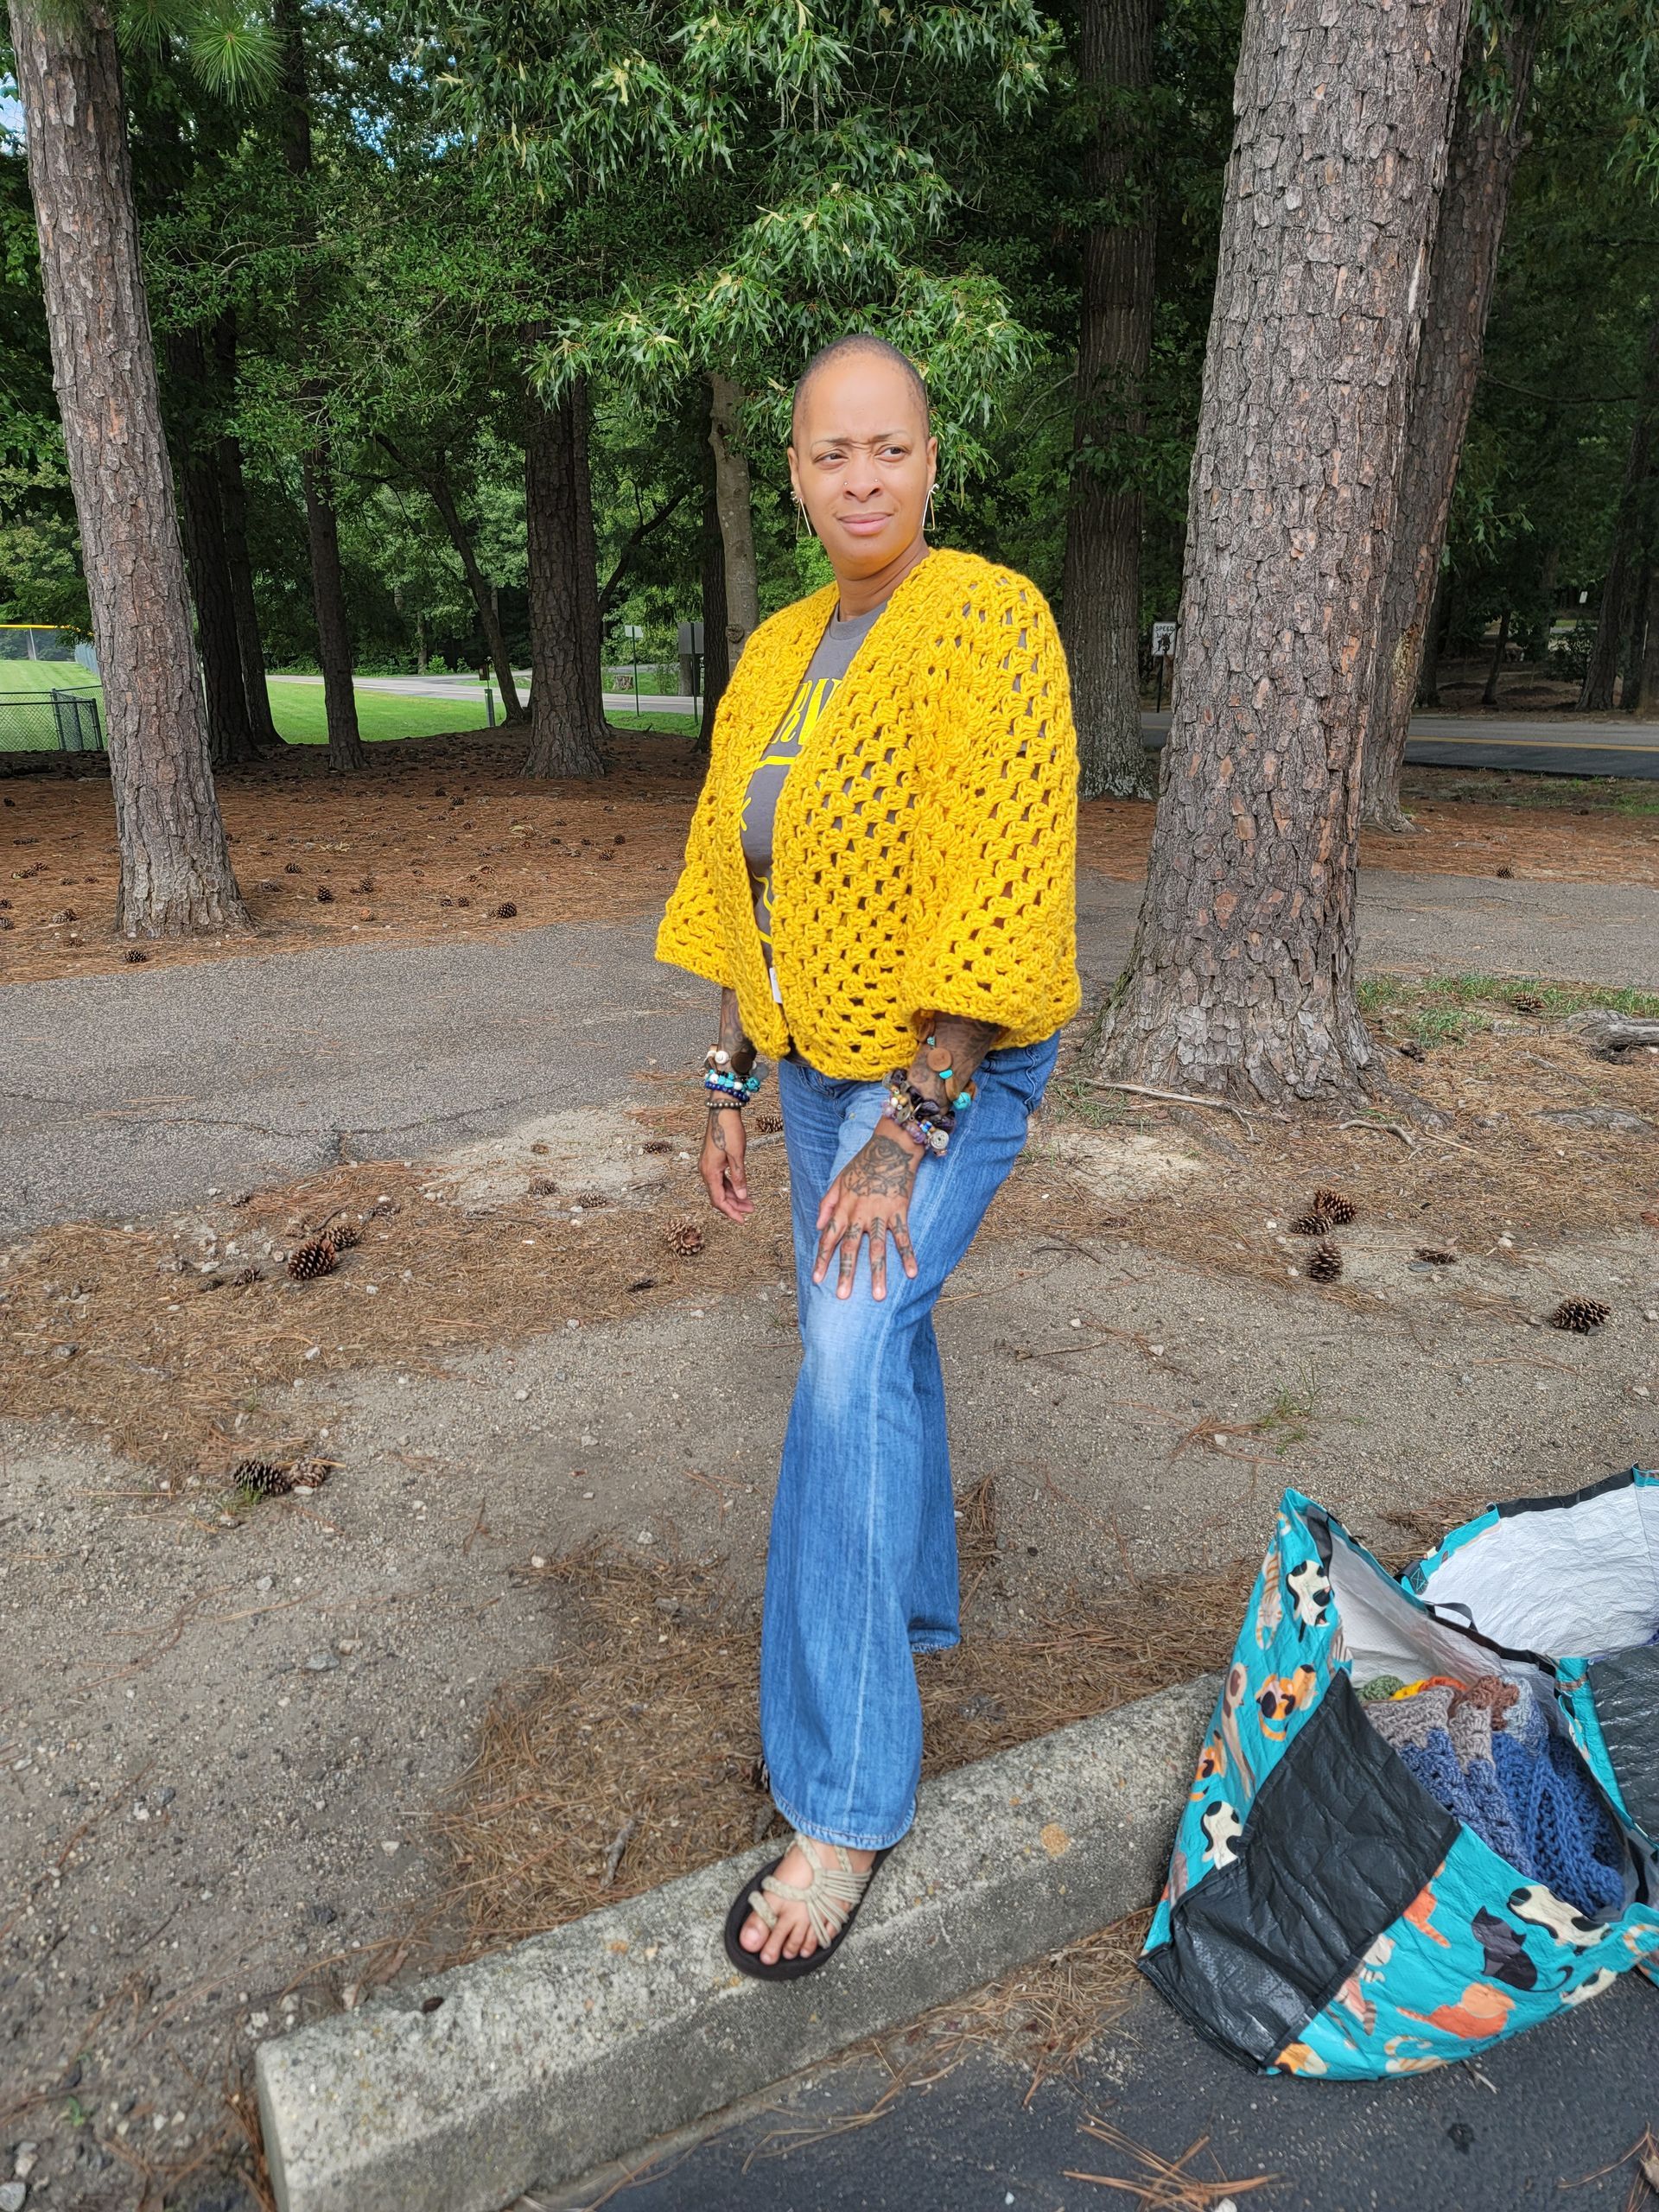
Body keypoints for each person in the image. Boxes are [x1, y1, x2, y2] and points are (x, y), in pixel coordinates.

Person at [656, 333, 1079, 1978]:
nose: (860, 479)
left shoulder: (992, 621)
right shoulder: (772, 652)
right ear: (793, 473)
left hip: (951, 1064)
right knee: (880, 1344)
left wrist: (912, 1129)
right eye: (831, 454)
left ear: (929, 456)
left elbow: (1001, 874)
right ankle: (903, 1615)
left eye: (886, 448)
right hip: (821, 1063)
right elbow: (734, 880)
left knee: (843, 1347)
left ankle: (843, 1801)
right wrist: (725, 1078)